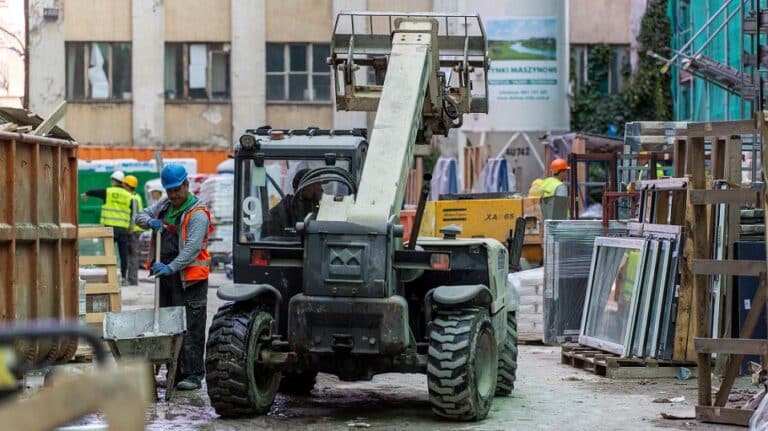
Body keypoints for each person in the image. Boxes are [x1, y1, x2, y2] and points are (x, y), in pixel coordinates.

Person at [135, 163, 214, 391]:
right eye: (169, 190)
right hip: (167, 277)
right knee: (169, 325)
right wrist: (150, 221)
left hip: (190, 279)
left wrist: (170, 267)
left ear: (187, 185)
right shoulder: (165, 205)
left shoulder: (197, 213)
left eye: (177, 189)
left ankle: (193, 375)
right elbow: (140, 216)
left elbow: (191, 249)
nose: (174, 195)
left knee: (191, 328)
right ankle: (174, 372)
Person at [81, 171, 133, 283]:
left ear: (114, 181)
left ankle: (105, 275)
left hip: (109, 229)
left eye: (112, 180)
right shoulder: (129, 196)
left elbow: (95, 192)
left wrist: (87, 193)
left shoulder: (108, 191)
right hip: (122, 229)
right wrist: (131, 227)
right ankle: (124, 277)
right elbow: (132, 213)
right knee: (123, 254)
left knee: (107, 253)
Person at [265, 168, 323, 236]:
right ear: (303, 187)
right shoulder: (279, 213)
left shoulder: (319, 210)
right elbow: (271, 242)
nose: (321, 189)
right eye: (317, 184)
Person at [122, 175, 144, 286]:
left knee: (132, 255)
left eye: (124, 184)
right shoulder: (135, 196)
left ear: (127, 185)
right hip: (135, 229)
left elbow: (134, 214)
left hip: (133, 230)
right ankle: (131, 279)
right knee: (132, 255)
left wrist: (130, 227)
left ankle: (132, 279)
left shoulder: (133, 197)